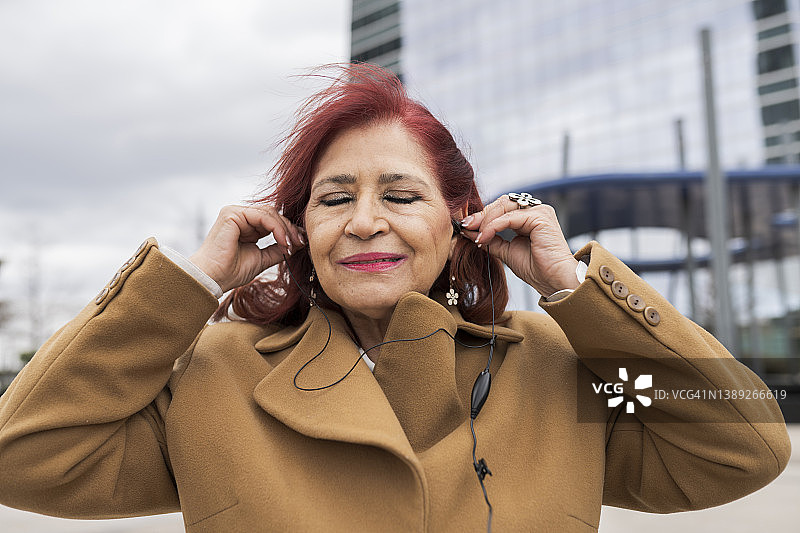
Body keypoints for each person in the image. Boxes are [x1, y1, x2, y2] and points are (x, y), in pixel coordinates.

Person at [0, 64, 791, 533]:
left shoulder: (555, 368)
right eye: (334, 198)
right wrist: (188, 286)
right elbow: (23, 455)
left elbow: (742, 445)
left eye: (401, 195)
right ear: (299, 228)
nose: (364, 221)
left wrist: (577, 290)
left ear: (460, 218)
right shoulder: (215, 374)